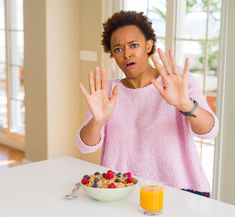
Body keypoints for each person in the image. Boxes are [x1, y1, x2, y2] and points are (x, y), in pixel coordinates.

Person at [76, 11, 218, 197]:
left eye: (134, 45)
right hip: (123, 192)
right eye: (118, 49)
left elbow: (210, 132)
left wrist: (185, 104)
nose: (127, 54)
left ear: (148, 45)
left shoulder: (174, 80)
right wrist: (97, 121)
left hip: (181, 190)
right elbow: (86, 146)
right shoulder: (108, 91)